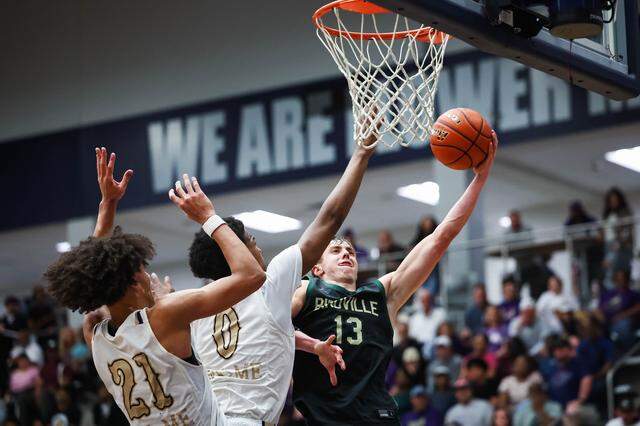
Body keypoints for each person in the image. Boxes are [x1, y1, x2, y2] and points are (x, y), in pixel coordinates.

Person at [45, 148, 266, 424]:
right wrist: (209, 217)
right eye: (142, 269)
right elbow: (252, 275)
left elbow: (95, 274)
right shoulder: (166, 314)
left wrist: (107, 205)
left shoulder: (96, 337)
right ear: (134, 283)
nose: (149, 275)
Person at [291, 134, 498, 424]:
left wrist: (479, 179)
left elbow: (440, 238)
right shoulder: (304, 289)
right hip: (327, 418)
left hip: (378, 416)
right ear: (317, 267)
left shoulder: (382, 293)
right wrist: (314, 346)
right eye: (335, 251)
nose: (346, 254)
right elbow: (267, 326)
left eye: (350, 250)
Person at [187, 133, 376, 425]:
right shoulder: (269, 287)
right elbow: (330, 219)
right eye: (250, 240)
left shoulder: (196, 309)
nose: (257, 246)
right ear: (234, 252)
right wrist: (362, 154)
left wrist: (313, 345)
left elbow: (265, 329)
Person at [540, 337, 592, 412]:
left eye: (561, 348)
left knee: (571, 412)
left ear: (569, 349)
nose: (559, 352)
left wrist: (580, 400)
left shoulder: (578, 363)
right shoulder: (550, 367)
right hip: (556, 407)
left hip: (578, 406)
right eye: (556, 349)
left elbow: (587, 379)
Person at [596, 269, 640, 351]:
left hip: (624, 322)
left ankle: (628, 351)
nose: (621, 281)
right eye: (618, 279)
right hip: (606, 323)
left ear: (627, 280)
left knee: (623, 326)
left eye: (623, 278)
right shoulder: (607, 295)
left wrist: (623, 315)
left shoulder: (633, 294)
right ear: (614, 280)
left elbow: (638, 307)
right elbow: (599, 310)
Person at [602, 188, 634, 287]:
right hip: (609, 243)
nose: (613, 202)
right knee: (609, 268)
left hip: (620, 244)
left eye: (615, 200)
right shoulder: (608, 213)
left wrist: (618, 243)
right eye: (611, 200)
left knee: (617, 269)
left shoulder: (625, 212)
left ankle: (623, 290)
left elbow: (626, 230)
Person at [409, 216, 441, 296]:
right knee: (421, 283)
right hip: (421, 264)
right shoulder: (420, 236)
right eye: (425, 224)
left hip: (433, 264)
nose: (427, 225)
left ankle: (432, 298)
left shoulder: (435, 234)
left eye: (429, 223)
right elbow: (412, 245)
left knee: (432, 285)